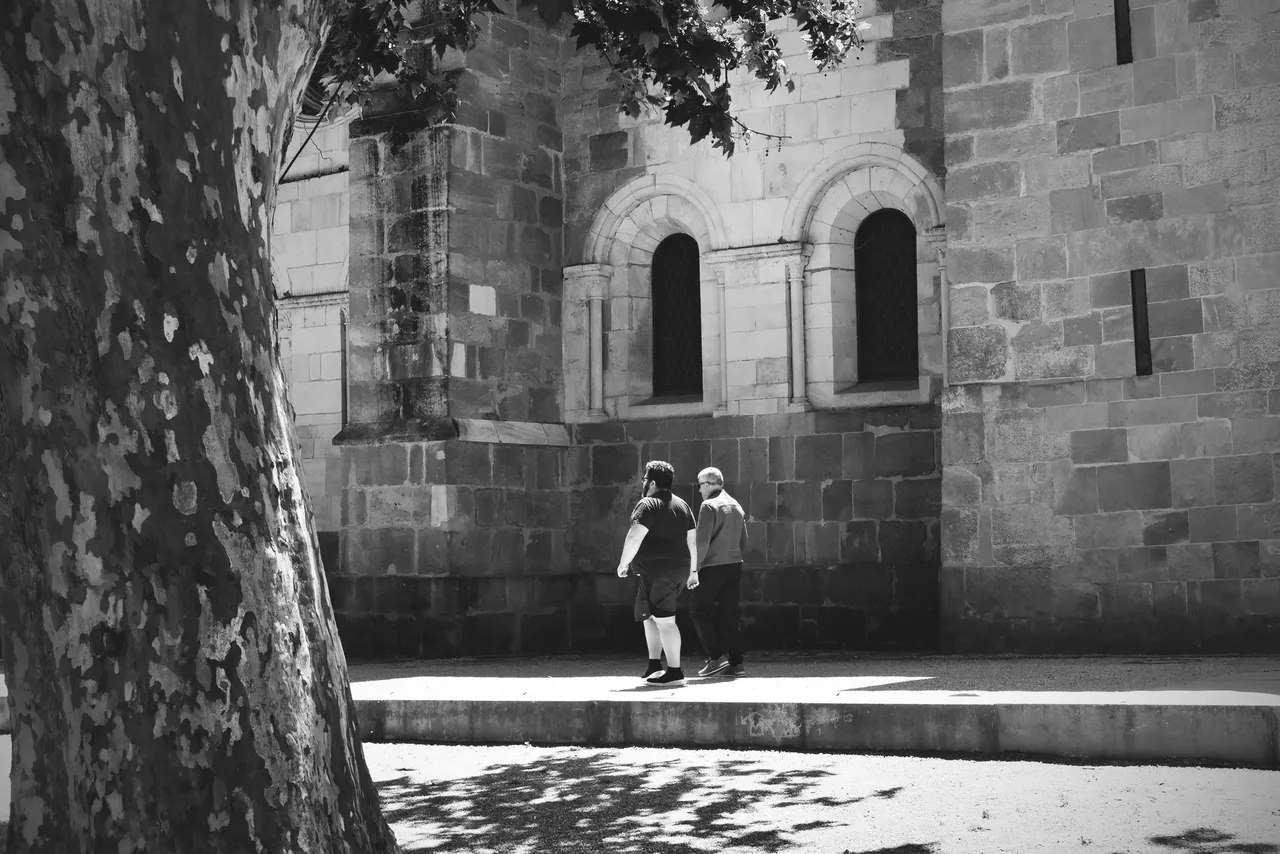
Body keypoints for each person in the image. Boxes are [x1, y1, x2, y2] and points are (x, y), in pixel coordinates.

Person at [616, 460, 698, 686]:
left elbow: (635, 535)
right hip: (664, 571)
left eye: (644, 480)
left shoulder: (647, 504)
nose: (643, 483)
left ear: (652, 482)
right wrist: (693, 571)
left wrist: (624, 563)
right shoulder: (683, 506)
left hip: (660, 572)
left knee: (665, 620)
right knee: (649, 617)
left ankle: (675, 672)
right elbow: (693, 540)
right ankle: (654, 665)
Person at [690, 467, 748, 678]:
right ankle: (737, 663)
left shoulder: (708, 506)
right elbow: (744, 541)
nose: (699, 491)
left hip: (713, 566)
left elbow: (702, 543)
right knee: (729, 615)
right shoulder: (736, 505)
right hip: (734, 565)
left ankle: (716, 657)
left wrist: (694, 570)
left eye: (699, 486)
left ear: (707, 485)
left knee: (698, 609)